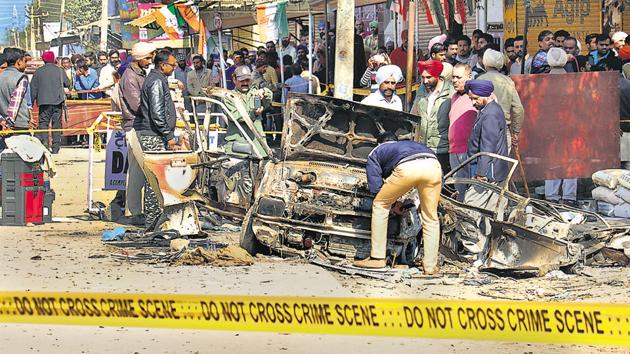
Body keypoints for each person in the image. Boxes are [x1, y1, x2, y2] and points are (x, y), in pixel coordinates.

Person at [353, 132, 442, 274]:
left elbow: (376, 186)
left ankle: (377, 258)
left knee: (380, 205)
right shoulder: (413, 145)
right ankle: (430, 266)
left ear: (379, 143)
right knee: (431, 218)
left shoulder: (378, 150)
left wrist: (393, 205)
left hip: (408, 168)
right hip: (434, 165)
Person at [134, 49, 183, 227]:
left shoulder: (159, 80)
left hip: (156, 132)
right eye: (172, 64)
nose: (175, 66)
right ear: (162, 66)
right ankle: (153, 220)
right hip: (153, 134)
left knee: (157, 178)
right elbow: (157, 112)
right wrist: (168, 136)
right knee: (155, 178)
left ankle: (155, 218)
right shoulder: (155, 81)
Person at [463, 80, 509, 252]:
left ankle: (473, 247)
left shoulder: (490, 114)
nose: (473, 102)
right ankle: (488, 249)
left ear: (486, 95)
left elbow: (488, 146)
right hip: (494, 169)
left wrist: (481, 173)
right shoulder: (490, 110)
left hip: (488, 171)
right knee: (491, 213)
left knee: (470, 206)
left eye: (475, 98)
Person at [118, 42, 154, 226]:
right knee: (136, 171)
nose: (150, 61)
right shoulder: (130, 77)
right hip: (134, 126)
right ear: (139, 59)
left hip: (142, 126)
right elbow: (137, 105)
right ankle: (134, 211)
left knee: (143, 170)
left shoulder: (140, 74)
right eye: (148, 58)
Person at [543, 48, 578, 206]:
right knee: (571, 161)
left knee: (552, 161)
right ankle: (569, 196)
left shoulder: (543, 82)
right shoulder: (573, 81)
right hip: (571, 126)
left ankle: (551, 195)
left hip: (550, 127)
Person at [411, 60, 454, 173]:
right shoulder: (421, 90)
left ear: (438, 75)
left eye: (429, 77)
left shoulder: (451, 93)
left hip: (442, 149)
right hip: (423, 147)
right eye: (423, 77)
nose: (425, 81)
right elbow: (415, 114)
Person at [477, 49, 524, 148]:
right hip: (503, 129)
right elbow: (519, 109)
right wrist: (515, 131)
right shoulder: (508, 81)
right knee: (502, 162)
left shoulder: (480, 80)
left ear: (485, 63)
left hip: (484, 129)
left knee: (485, 161)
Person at [224, 65, 273, 157]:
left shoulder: (255, 93)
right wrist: (253, 113)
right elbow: (236, 117)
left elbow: (267, 101)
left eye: (247, 80)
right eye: (242, 81)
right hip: (238, 144)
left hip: (258, 144)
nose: (245, 83)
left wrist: (264, 92)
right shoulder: (229, 97)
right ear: (234, 80)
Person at [29, 51, 70, 154]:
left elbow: (33, 89)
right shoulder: (60, 70)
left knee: (43, 124)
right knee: (57, 124)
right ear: (54, 59)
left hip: (43, 103)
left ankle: (45, 145)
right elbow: (68, 83)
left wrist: (30, 103)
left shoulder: (38, 72)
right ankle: (56, 147)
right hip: (58, 101)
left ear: (43, 59)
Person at [449, 64, 477, 200]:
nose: (455, 80)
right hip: (454, 150)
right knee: (460, 191)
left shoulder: (477, 96)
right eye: (453, 77)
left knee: (473, 191)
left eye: (459, 77)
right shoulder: (454, 97)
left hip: (470, 151)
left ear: (469, 77)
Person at [0, 48, 31, 133]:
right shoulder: (21, 77)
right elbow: (15, 102)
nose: (26, 64)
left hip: (3, 125)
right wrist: (9, 123)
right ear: (19, 61)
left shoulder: (1, 76)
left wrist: (2, 121)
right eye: (25, 61)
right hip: (17, 125)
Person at [187, 55, 213, 120]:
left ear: (202, 62)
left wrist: (205, 97)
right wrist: (198, 96)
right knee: (199, 121)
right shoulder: (190, 74)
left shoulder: (209, 72)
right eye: (194, 63)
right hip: (197, 101)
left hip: (208, 100)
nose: (195, 64)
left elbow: (212, 86)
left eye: (197, 62)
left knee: (209, 121)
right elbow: (190, 88)